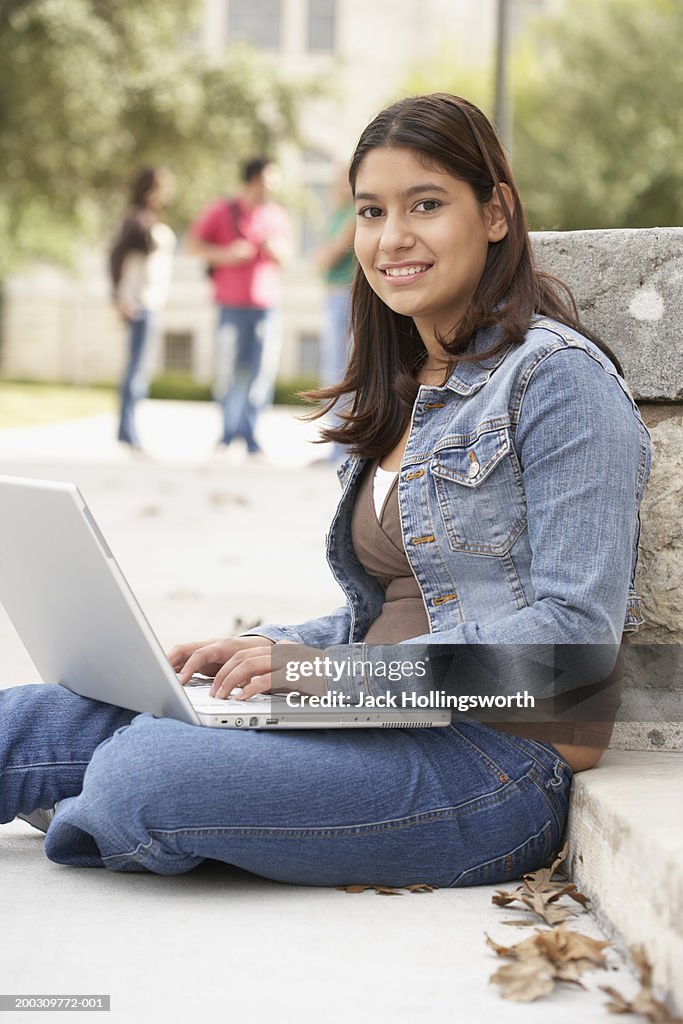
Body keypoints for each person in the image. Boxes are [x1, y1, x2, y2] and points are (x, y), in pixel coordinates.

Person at [1, 94, 650, 888]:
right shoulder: (406, 387)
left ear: (494, 213)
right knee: (33, 716)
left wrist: (321, 676)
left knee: (145, 772)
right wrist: (273, 650)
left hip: (498, 763)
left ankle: (104, 797)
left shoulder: (559, 384)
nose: (391, 237)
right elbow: (381, 613)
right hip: (368, 714)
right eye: (370, 211)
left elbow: (569, 659)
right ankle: (116, 785)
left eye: (426, 204)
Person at [189, 158, 290, 454]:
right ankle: (227, 432)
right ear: (255, 179)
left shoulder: (276, 215)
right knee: (228, 371)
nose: (276, 184)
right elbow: (193, 246)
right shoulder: (222, 210)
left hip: (266, 305)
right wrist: (227, 254)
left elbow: (287, 255)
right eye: (272, 177)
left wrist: (275, 249)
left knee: (262, 371)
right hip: (230, 305)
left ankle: (250, 435)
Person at [109, 167, 176, 452]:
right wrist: (120, 298)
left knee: (140, 369)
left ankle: (129, 430)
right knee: (135, 370)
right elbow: (115, 259)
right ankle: (128, 432)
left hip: (152, 302)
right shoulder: (135, 221)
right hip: (139, 303)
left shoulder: (151, 220)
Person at [313, 165, 356, 464]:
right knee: (333, 366)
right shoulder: (337, 214)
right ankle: (336, 443)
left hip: (346, 294)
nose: (342, 185)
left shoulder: (355, 216)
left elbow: (329, 256)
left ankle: (342, 445)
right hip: (333, 295)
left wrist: (322, 258)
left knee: (341, 369)